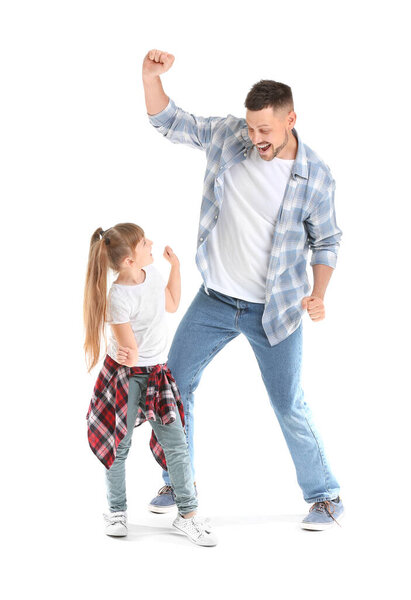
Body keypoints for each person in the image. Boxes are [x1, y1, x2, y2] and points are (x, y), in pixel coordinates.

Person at [142, 49, 344, 531]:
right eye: (252, 128)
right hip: (215, 299)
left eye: (266, 131)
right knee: (174, 384)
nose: (256, 140)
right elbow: (169, 121)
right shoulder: (231, 136)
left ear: (291, 119)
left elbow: (328, 240)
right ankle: (179, 481)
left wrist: (319, 293)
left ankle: (326, 496)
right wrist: (150, 77)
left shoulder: (315, 175)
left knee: (287, 401)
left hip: (274, 311)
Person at [83, 222, 217, 546]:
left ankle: (188, 515)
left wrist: (176, 268)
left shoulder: (152, 274)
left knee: (177, 443)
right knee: (120, 444)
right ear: (129, 260)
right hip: (127, 377)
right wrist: (132, 354)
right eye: (144, 243)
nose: (151, 243)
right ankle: (116, 512)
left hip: (156, 374)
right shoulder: (117, 297)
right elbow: (131, 356)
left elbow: (170, 303)